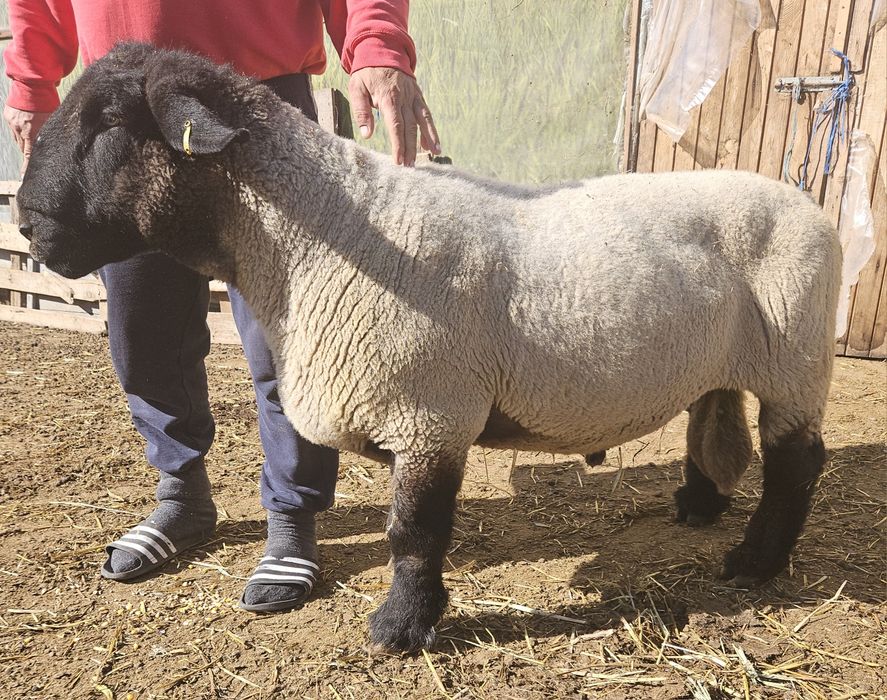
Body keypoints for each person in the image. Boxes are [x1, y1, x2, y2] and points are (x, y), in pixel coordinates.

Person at [4, 0, 440, 613]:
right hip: (123, 109)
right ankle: (181, 496)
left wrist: (375, 45)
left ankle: (293, 516)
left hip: (256, 102)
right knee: (142, 329)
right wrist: (31, 79)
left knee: (290, 338)